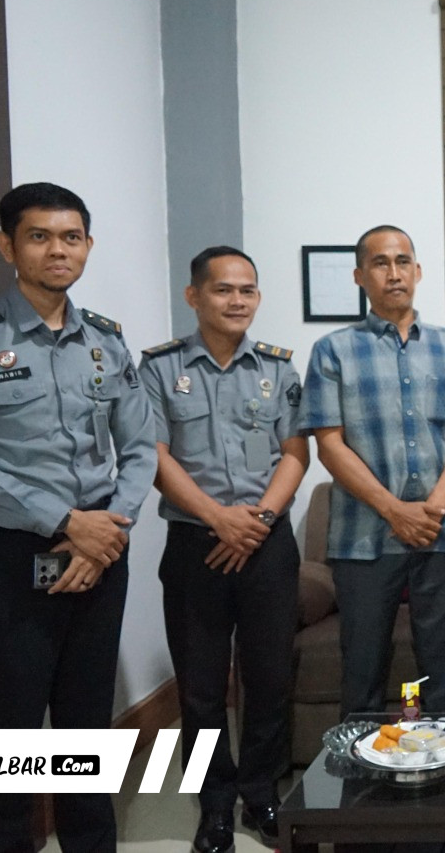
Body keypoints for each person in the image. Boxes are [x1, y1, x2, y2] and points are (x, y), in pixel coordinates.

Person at [0, 182, 156, 852]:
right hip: (15, 559)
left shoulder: (105, 340)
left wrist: (107, 529)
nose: (58, 250)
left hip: (103, 552)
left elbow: (140, 447)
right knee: (11, 736)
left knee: (87, 732)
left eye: (71, 237)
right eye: (40, 236)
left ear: (87, 245)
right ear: (8, 246)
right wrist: (66, 521)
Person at [138, 246, 308, 852]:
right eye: (223, 289)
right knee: (201, 688)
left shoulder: (278, 369)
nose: (238, 301)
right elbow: (153, 455)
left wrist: (256, 522)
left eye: (247, 290)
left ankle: (261, 791)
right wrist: (218, 519)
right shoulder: (159, 368)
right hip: (196, 544)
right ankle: (213, 805)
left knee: (268, 679)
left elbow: (295, 453)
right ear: (194, 296)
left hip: (267, 543)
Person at [299, 225, 445, 719]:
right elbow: (329, 444)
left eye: (403, 261)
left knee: (444, 666)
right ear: (359, 276)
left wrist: (433, 508)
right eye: (381, 263)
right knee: (363, 666)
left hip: (440, 531)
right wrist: (394, 511)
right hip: (363, 536)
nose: (394, 273)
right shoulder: (333, 350)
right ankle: (358, 766)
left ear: (418, 271)